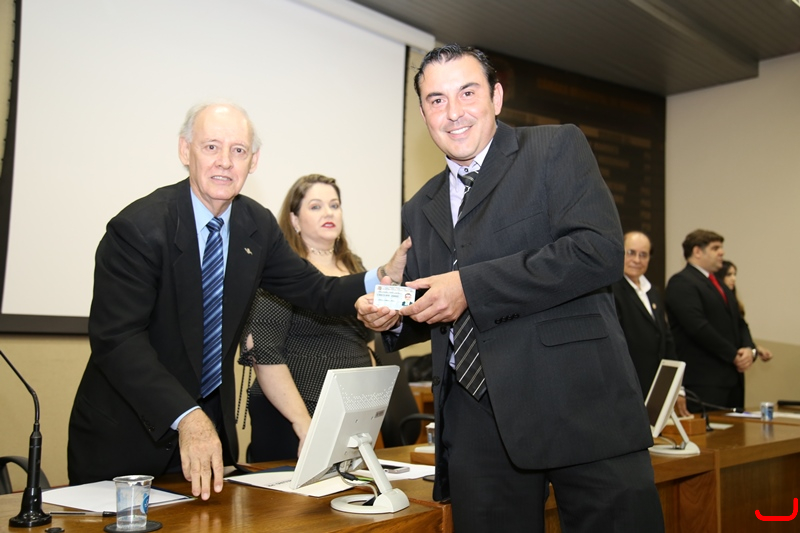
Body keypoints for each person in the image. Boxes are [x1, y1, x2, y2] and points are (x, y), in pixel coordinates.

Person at [357, 44, 663, 533]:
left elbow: (597, 251)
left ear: (496, 97)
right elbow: (436, 295)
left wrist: (470, 286)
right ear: (424, 113)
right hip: (477, 423)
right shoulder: (420, 206)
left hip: (578, 401)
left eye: (467, 92)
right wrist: (388, 309)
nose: (453, 112)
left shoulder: (554, 148)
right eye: (436, 100)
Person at [67, 102, 407, 500]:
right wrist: (186, 416)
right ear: (185, 151)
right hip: (128, 435)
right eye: (211, 147)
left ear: (254, 160)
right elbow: (118, 341)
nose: (225, 162)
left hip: (209, 437)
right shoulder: (139, 227)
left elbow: (316, 290)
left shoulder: (255, 225)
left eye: (238, 150)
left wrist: (380, 276)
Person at [238, 174, 375, 462]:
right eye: (315, 206)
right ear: (294, 220)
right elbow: (264, 350)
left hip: (349, 413)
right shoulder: (281, 273)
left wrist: (370, 405)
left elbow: (368, 341)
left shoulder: (356, 268)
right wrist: (304, 424)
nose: (328, 213)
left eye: (334, 205)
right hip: (294, 418)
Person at [665, 230, 762, 412]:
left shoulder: (720, 285)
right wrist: (733, 355)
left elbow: (740, 322)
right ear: (697, 251)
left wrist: (749, 349)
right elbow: (698, 327)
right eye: (715, 248)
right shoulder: (682, 282)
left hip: (732, 379)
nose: (722, 253)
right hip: (704, 381)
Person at [610, 231, 690, 415]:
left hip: (655, 390)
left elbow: (666, 340)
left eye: (643, 255)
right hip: (627, 389)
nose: (637, 260)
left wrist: (677, 387)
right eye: (631, 252)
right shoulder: (611, 290)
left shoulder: (653, 292)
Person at [714, 259, 773, 361]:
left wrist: (753, 349)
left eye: (734, 274)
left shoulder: (734, 301)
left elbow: (741, 328)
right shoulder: (714, 300)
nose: (733, 278)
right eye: (729, 275)